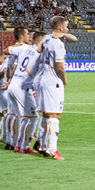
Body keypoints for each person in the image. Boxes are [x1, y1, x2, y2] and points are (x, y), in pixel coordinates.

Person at [35, 16, 71, 160]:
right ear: (60, 27)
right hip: (52, 81)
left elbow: (38, 50)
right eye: (66, 26)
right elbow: (60, 67)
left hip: (41, 79)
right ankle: (53, 149)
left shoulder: (47, 39)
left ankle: (43, 146)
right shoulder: (57, 44)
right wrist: (63, 80)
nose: (67, 28)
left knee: (46, 114)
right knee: (55, 115)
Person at [7, 29, 45, 154]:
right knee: (33, 117)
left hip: (13, 85)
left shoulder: (23, 48)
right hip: (22, 87)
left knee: (24, 117)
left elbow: (7, 50)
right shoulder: (39, 54)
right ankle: (24, 146)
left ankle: (18, 146)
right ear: (40, 41)